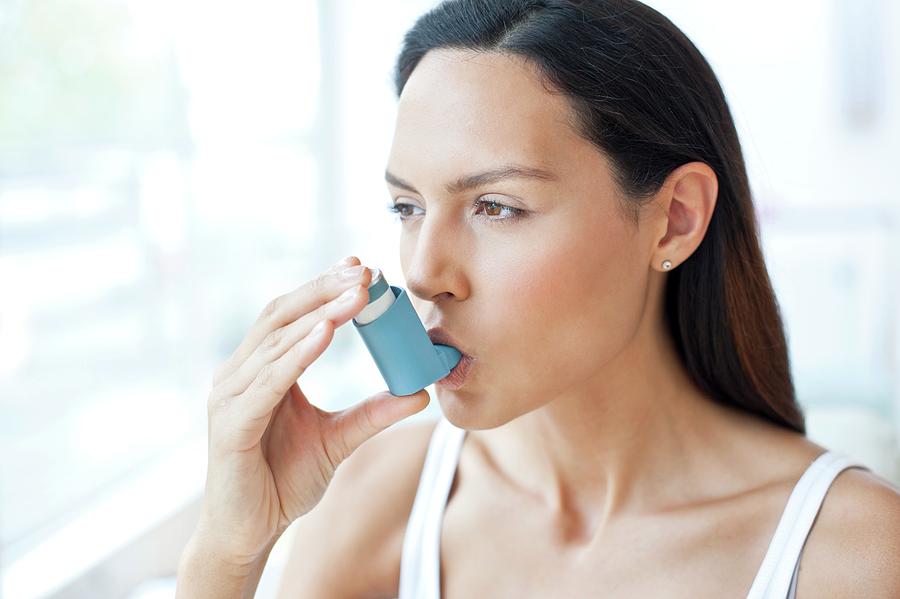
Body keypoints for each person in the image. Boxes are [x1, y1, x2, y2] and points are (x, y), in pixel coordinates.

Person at [175, 1, 900, 597]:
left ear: (674, 217)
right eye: (407, 207)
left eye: (495, 206)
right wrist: (229, 554)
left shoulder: (852, 555)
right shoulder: (378, 498)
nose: (425, 272)